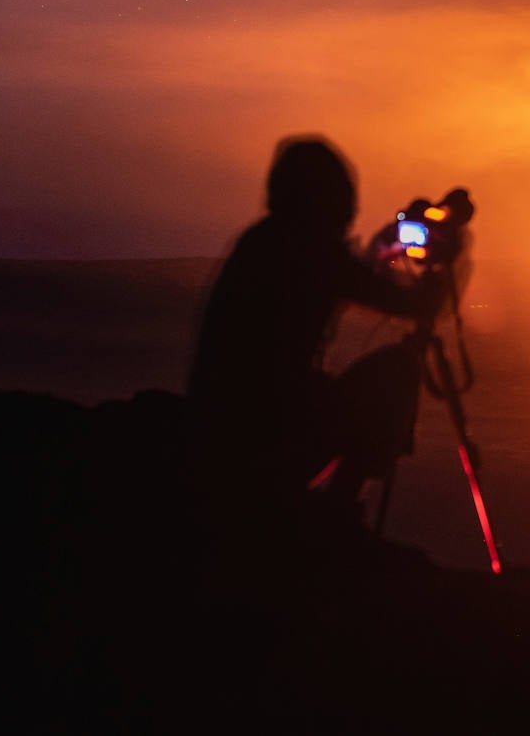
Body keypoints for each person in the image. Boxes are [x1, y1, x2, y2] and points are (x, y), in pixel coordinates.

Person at [186, 134, 446, 526]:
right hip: (267, 440)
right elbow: (412, 305)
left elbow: (351, 279)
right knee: (398, 369)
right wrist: (444, 267)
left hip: (222, 432)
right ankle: (338, 509)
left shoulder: (262, 241)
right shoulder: (309, 248)